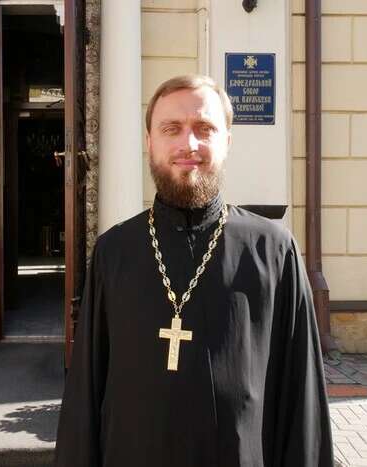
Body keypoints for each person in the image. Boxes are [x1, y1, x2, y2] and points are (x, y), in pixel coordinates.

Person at [54, 74, 334, 467]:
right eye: (172, 129)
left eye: (204, 128)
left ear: (227, 142)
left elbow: (302, 396)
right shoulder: (114, 251)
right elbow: (86, 392)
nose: (189, 144)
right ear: (150, 142)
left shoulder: (273, 251)